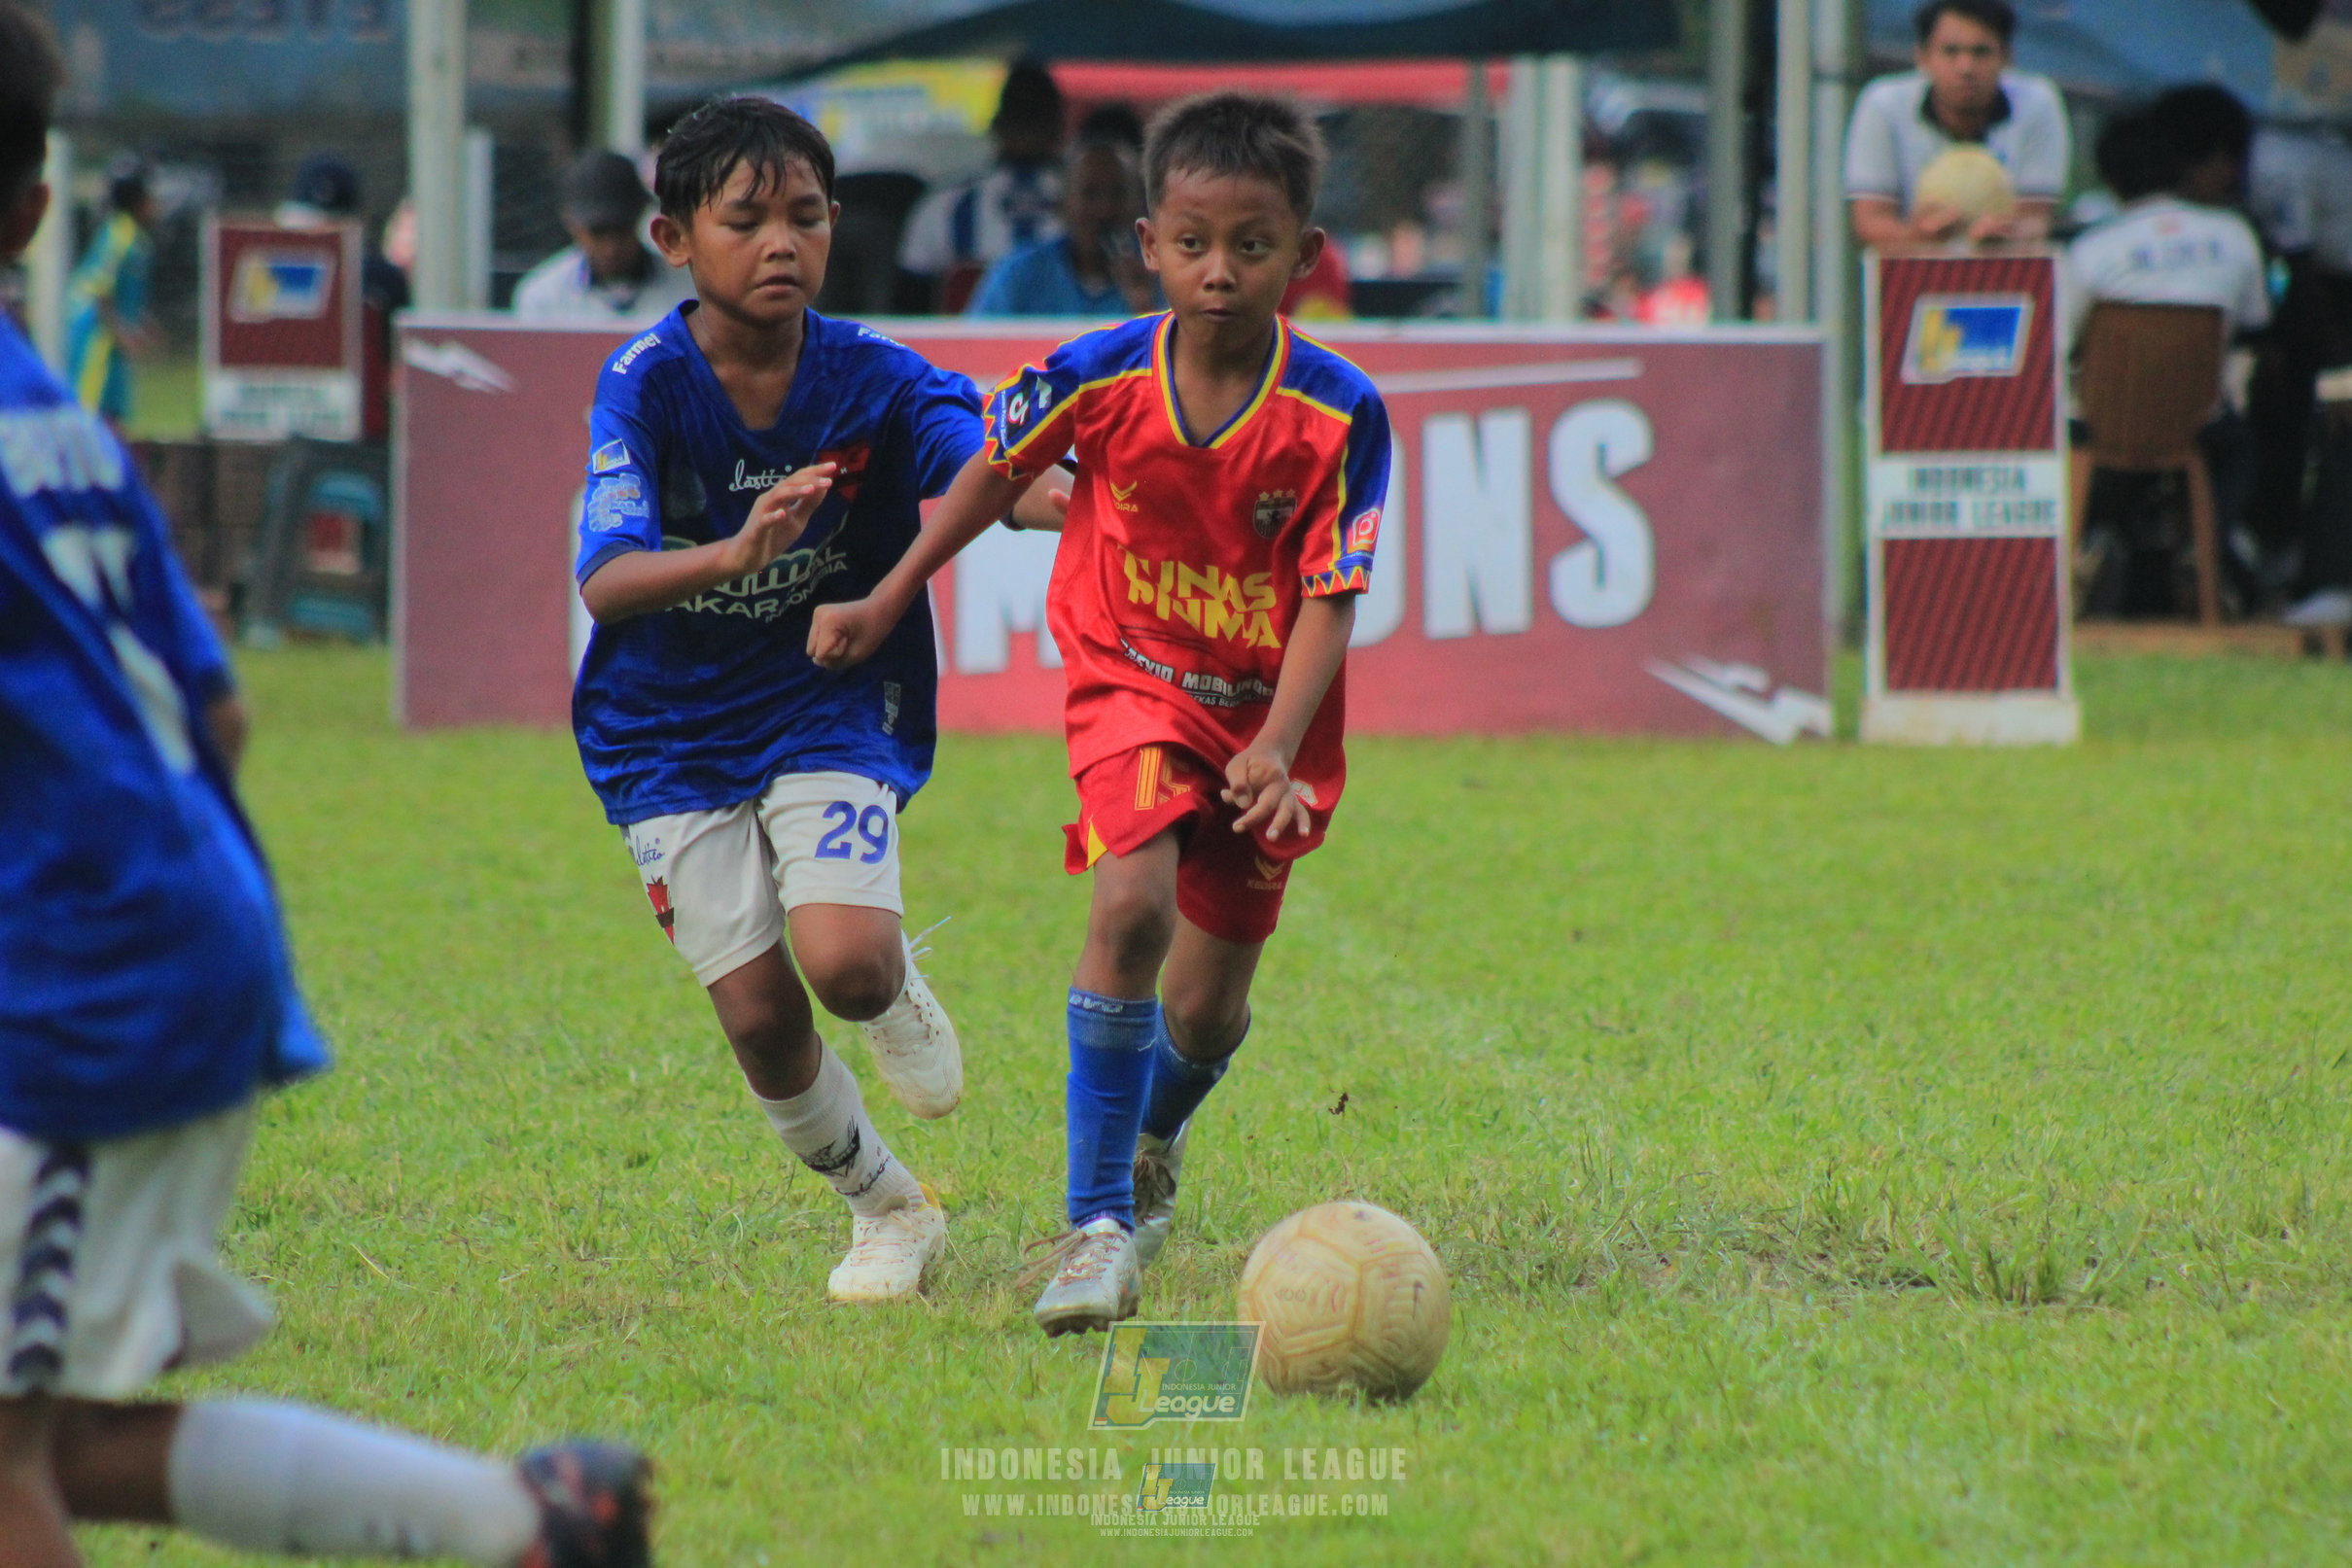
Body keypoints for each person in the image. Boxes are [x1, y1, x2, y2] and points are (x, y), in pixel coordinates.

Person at [0, 10, 655, 1567]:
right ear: (37, 205)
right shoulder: (56, 417)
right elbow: (217, 711)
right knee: (64, 1438)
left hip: (73, 986)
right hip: (149, 932)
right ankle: (525, 1523)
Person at [809, 92, 1392, 1337]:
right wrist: (890, 587)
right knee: (1127, 904)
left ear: (1306, 253)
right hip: (1128, 677)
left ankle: (1154, 1137)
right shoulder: (1095, 372)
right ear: (1148, 242)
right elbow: (991, 472)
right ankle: (1095, 1228)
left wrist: (1279, 744)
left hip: (1265, 727)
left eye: (1251, 244)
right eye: (1193, 242)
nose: (1219, 271)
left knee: (1208, 1006)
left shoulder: (1342, 412)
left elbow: (1332, 599)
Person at [573, 97, 1067, 1303]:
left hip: (826, 695)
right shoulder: (642, 385)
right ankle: (890, 1209)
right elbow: (608, 578)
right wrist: (733, 557)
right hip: (665, 732)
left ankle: (889, 982)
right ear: (673, 237)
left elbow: (985, 464)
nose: (780, 242)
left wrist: (1057, 496)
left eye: (805, 215)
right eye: (744, 219)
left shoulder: (878, 379)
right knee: (756, 1019)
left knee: (842, 964)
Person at [2065, 94, 2270, 615]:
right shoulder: (2234, 237)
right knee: (2242, 450)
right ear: (2181, 168)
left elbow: (2058, 342)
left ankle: (2094, 537)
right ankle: (2206, 546)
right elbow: (2255, 324)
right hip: (2194, 424)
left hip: (2103, 425)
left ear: (2111, 179)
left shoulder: (2092, 247)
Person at [1844, 0, 2069, 248]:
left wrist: (2005, 235)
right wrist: (1917, 236)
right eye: (1951, 52)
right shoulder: (1883, 104)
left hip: (2005, 277)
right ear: (1922, 57)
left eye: (1980, 52)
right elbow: (1870, 222)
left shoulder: (2037, 103)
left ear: (2007, 57)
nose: (1966, 68)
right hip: (1912, 275)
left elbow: (2036, 217)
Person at [895, 61, 1067, 313]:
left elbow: (909, 313)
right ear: (1061, 128)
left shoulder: (942, 206)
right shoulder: (1101, 204)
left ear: (996, 125)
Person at [965, 135, 1159, 318]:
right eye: (1090, 193)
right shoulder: (1019, 274)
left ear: (1139, 205)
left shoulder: (1160, 275)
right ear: (1063, 204)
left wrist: (1143, 304)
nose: (1104, 209)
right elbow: (975, 344)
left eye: (1118, 194)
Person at [513, 150, 696, 325]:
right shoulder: (543, 298)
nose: (611, 248)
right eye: (597, 233)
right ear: (572, 224)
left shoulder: (689, 288)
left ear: (640, 217)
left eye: (622, 230)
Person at [62, 157, 156, 428]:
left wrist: (141, 323)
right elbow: (100, 291)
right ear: (138, 201)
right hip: (96, 340)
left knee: (114, 411)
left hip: (110, 339)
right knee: (92, 414)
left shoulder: (135, 238)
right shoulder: (120, 236)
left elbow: (121, 293)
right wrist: (123, 333)